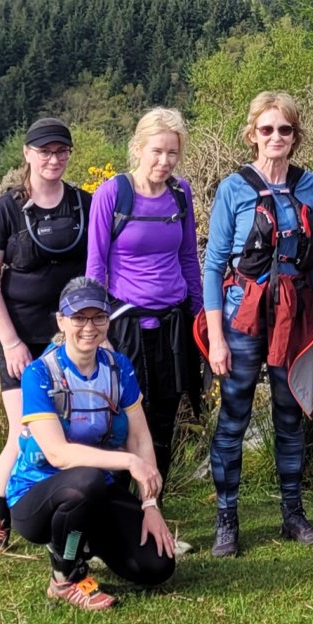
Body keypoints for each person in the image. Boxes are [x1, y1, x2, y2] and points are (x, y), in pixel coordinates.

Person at [202, 91, 313, 557]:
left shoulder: (309, 186)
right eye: (267, 129)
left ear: (296, 136)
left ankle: (293, 514)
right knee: (233, 416)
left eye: (285, 129)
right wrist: (217, 337)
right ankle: (226, 520)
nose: (276, 137)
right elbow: (214, 264)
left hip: (294, 314)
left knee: (289, 413)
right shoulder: (233, 188)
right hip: (243, 313)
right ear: (252, 134)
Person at [8, 278, 179, 610]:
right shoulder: (39, 374)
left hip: (97, 490)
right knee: (86, 480)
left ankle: (83, 540)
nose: (89, 327)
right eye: (79, 318)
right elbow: (57, 453)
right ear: (61, 321)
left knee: (157, 566)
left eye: (98, 317)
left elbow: (140, 436)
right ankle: (65, 575)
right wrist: (129, 463)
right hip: (36, 495)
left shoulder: (119, 368)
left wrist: (150, 506)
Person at [0, 117, 92, 551]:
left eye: (62, 151)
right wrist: (10, 342)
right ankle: (0, 518)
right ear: (27, 154)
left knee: (76, 430)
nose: (54, 159)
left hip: (74, 339)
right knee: (22, 432)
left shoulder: (85, 203)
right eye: (44, 151)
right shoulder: (5, 210)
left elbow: (100, 267)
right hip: (21, 341)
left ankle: (67, 510)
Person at [87, 108, 202, 485]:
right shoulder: (112, 194)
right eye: (156, 151)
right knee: (123, 418)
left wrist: (199, 319)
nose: (164, 161)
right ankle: (123, 514)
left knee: (165, 420)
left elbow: (188, 258)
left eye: (172, 153)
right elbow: (95, 267)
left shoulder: (180, 194)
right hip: (125, 328)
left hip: (172, 327)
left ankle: (155, 512)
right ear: (137, 148)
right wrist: (97, 330)